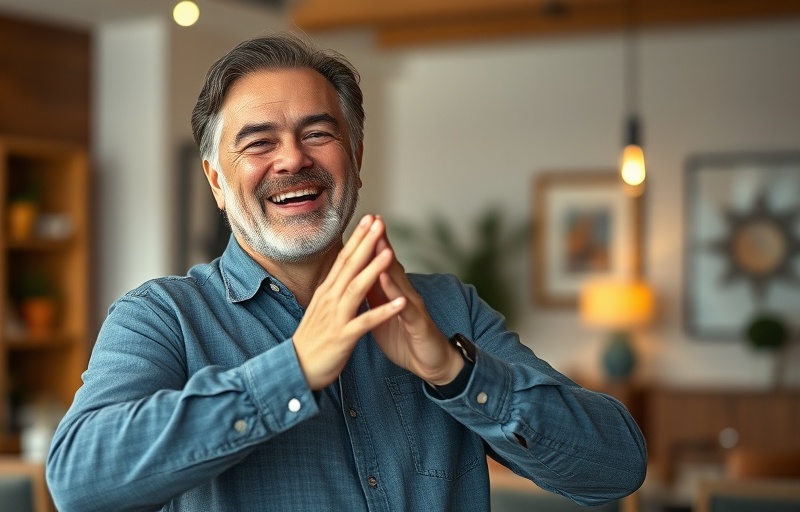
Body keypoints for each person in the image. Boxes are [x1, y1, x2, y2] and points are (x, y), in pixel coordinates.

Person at [46, 32, 647, 511]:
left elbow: (617, 468)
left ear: (356, 158)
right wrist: (292, 371)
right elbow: (79, 482)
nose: (293, 159)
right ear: (216, 181)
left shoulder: (447, 311)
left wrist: (453, 371)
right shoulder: (163, 318)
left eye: (318, 132)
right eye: (258, 143)